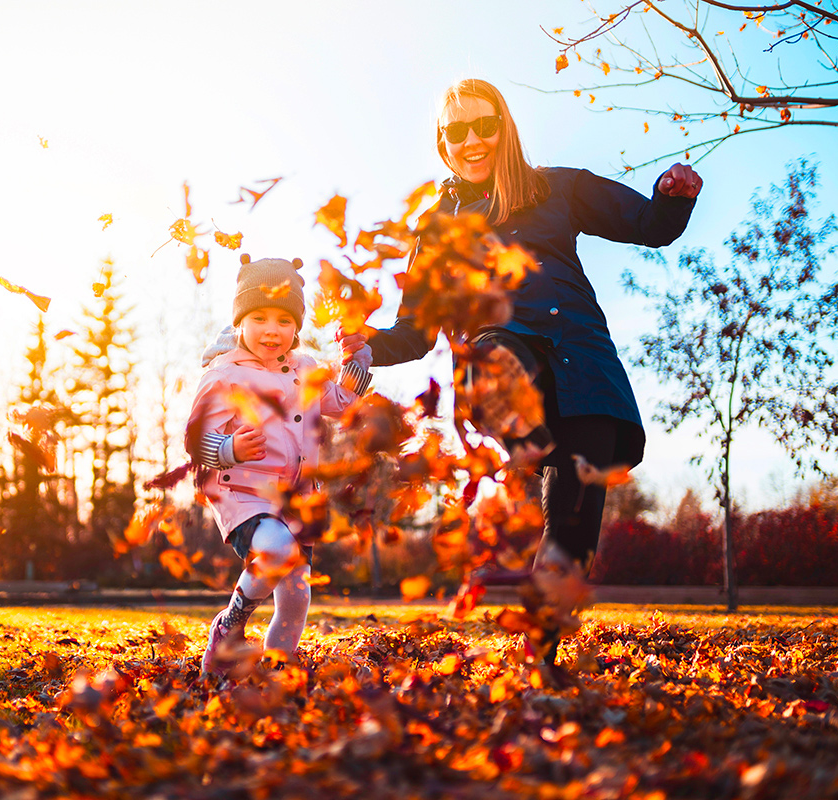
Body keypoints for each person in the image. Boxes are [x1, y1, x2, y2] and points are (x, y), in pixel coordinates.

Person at [338, 78, 702, 661]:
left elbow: (650, 226)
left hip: (583, 370)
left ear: (504, 128)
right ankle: (519, 453)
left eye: (485, 126)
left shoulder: (557, 189)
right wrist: (368, 346)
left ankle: (538, 658)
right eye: (458, 131)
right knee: (495, 354)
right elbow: (413, 330)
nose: (473, 140)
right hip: (505, 360)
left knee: (571, 533)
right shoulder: (435, 229)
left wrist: (672, 195)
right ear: (442, 142)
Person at [187, 254, 372, 675]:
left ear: (296, 328)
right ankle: (229, 625)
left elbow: (344, 406)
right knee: (274, 550)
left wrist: (357, 359)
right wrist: (230, 447)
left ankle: (279, 668)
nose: (273, 330)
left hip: (298, 499)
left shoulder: (305, 370)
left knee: (296, 596)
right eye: (260, 317)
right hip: (244, 493)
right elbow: (196, 439)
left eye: (284, 321)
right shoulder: (224, 374)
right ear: (240, 322)